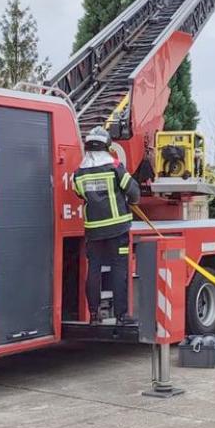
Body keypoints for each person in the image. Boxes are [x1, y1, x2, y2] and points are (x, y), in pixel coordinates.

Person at [74, 126, 141, 324]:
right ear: (107, 146)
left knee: (93, 269)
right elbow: (134, 191)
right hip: (117, 228)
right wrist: (131, 201)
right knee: (118, 269)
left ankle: (94, 315)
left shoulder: (79, 173)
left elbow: (79, 193)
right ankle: (121, 316)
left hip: (93, 230)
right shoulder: (115, 167)